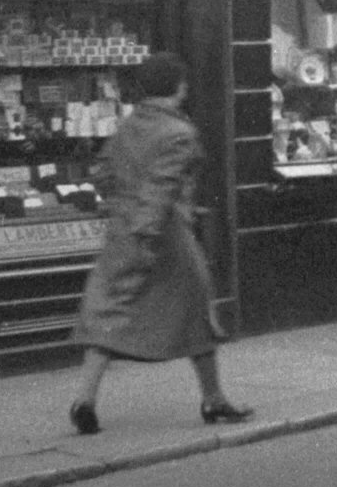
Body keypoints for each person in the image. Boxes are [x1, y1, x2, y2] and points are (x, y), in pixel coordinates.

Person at [69, 52, 248, 434]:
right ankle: (213, 399)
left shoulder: (129, 126)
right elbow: (161, 188)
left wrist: (121, 210)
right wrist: (147, 232)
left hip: (123, 231)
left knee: (110, 314)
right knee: (197, 314)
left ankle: (85, 399)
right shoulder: (179, 133)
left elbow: (102, 174)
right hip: (165, 236)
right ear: (179, 88)